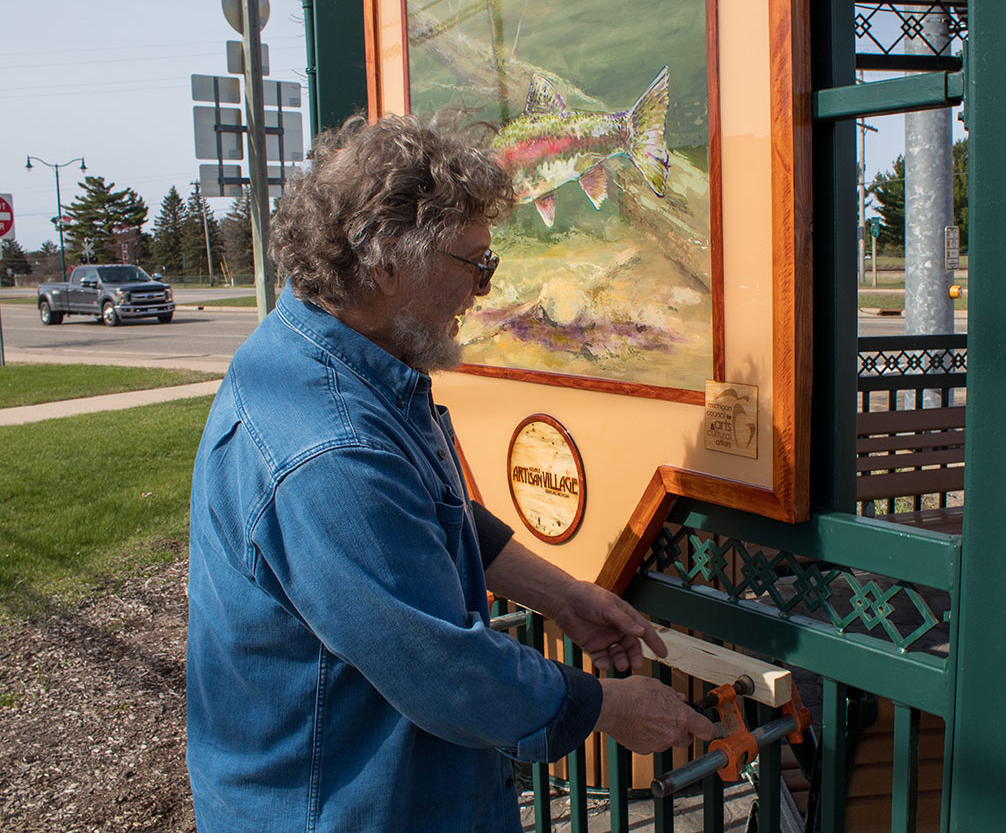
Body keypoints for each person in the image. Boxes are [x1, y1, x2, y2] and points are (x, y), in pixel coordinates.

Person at [185, 113, 715, 831]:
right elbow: (445, 672)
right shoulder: (332, 451)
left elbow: (433, 515)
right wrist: (607, 707)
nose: (484, 290)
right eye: (476, 263)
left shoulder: (333, 358)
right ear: (386, 262)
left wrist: (562, 596)